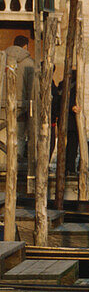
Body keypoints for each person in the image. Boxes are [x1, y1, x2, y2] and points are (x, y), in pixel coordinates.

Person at [1, 35, 34, 182]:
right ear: (26, 46)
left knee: (2, 136)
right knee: (18, 138)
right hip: (21, 108)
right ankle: (14, 169)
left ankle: (2, 168)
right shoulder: (28, 63)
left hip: (1, 106)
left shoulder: (2, 59)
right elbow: (32, 88)